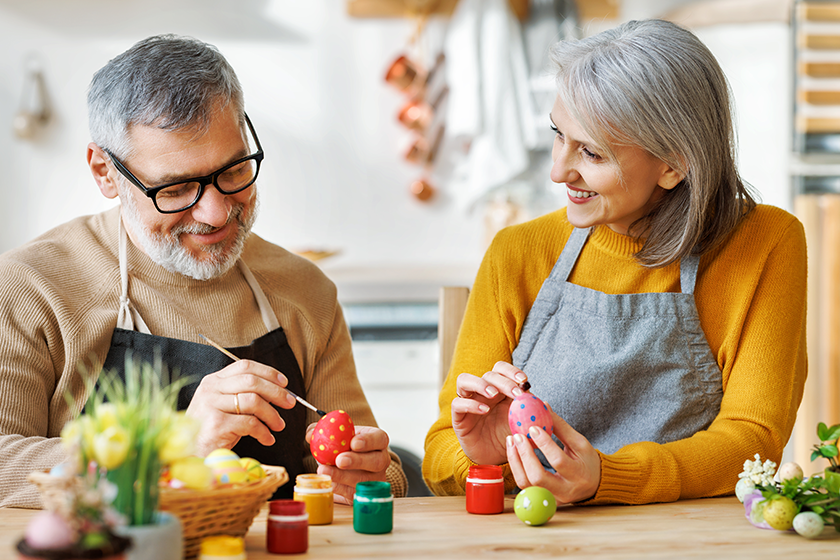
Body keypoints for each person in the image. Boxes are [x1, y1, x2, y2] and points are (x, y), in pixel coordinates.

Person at [0, 34, 406, 508]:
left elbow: (383, 469)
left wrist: (366, 475)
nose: (215, 213)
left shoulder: (305, 290)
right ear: (105, 173)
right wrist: (166, 450)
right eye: (175, 189)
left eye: (233, 170)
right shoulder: (31, 287)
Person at [423, 19, 807, 505]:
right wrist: (491, 460)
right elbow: (439, 452)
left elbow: (754, 441)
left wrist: (605, 477)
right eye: (558, 135)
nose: (558, 170)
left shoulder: (765, 243)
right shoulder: (517, 252)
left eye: (591, 152)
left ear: (672, 163)